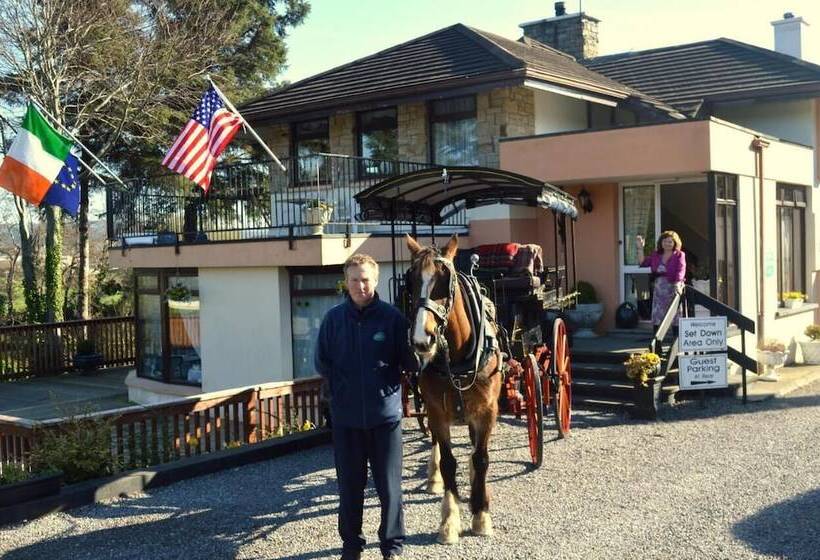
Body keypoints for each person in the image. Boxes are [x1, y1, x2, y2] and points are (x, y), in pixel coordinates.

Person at [314, 254, 411, 560]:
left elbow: (410, 361)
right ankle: (352, 547)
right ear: (346, 282)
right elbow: (322, 362)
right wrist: (341, 392)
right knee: (350, 490)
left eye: (365, 279)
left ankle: (392, 547)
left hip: (386, 420)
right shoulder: (333, 320)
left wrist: (424, 348)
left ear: (376, 280)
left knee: (390, 490)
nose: (360, 285)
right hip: (347, 422)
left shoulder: (393, 318)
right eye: (354, 279)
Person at [635, 230, 686, 332]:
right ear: (661, 243)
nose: (667, 244)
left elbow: (681, 270)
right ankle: (656, 340)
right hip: (659, 288)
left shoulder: (679, 255)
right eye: (665, 241)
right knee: (658, 313)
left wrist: (677, 283)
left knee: (675, 313)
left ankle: (676, 339)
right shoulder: (656, 255)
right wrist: (640, 248)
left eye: (670, 241)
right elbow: (643, 263)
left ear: (675, 243)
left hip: (674, 286)